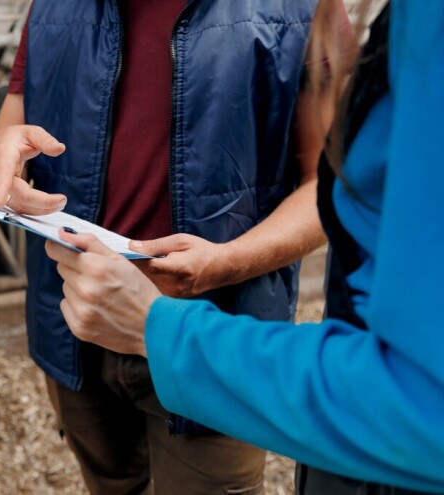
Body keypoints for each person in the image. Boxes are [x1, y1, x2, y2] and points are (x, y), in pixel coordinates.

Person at [45, 1, 444, 493]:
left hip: (221, 330)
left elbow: (419, 395)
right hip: (76, 332)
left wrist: (182, 311)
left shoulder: (401, 26)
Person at [0, 1, 343, 493]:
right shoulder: (51, 7)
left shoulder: (304, 7)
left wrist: (227, 263)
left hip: (215, 337)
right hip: (74, 327)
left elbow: (333, 186)